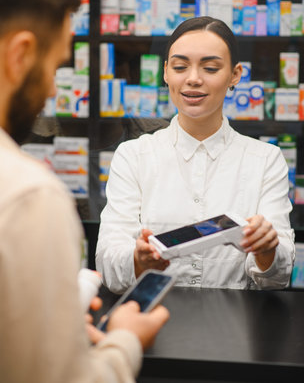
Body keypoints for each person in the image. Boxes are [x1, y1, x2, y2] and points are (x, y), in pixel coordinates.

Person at [0, 0, 169, 383]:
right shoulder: (27, 192)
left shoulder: (153, 135)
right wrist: (126, 339)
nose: (56, 88)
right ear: (20, 56)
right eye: (57, 64)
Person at [96, 16, 295, 293]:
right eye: (180, 67)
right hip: (155, 323)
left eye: (211, 68)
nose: (193, 79)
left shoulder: (265, 160)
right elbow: (108, 260)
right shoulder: (134, 156)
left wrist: (267, 249)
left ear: (235, 75)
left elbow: (277, 277)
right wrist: (138, 260)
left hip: (236, 328)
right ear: (165, 72)